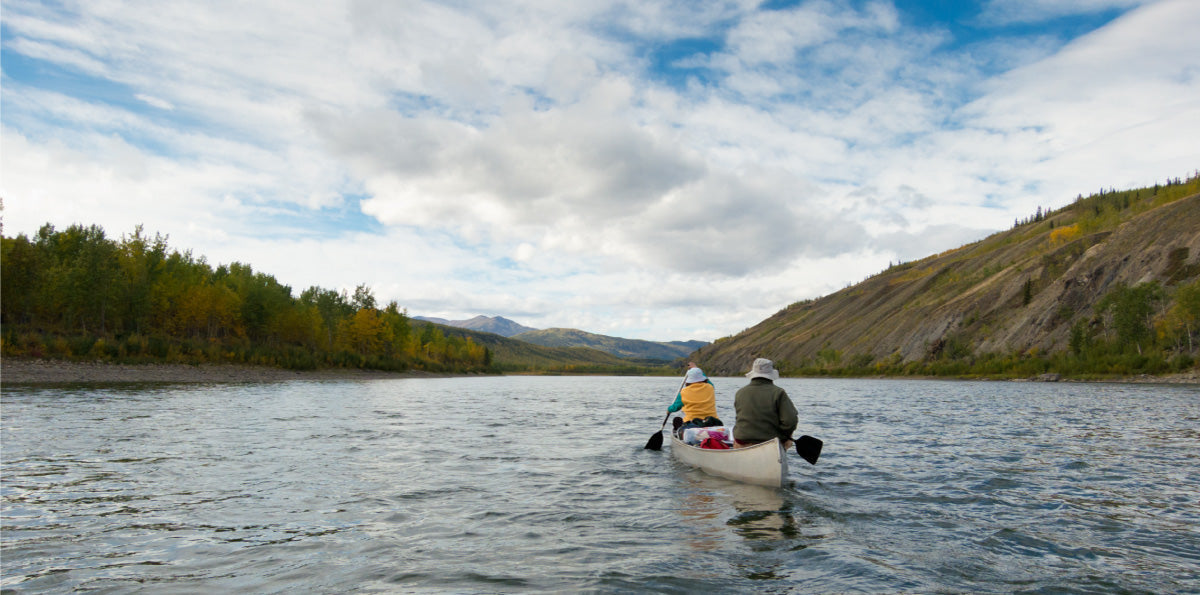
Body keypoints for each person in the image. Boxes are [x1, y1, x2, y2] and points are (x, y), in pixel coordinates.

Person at [732, 358, 797, 449]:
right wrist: (785, 436)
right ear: (771, 376)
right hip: (770, 443)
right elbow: (790, 421)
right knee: (788, 439)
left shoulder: (740, 392)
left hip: (742, 441)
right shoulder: (779, 393)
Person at [667, 365, 722, 436]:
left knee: (677, 420)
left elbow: (676, 407)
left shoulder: (684, 392)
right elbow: (708, 381)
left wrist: (669, 410)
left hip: (692, 423)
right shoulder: (710, 387)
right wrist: (696, 368)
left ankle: (679, 434)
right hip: (712, 422)